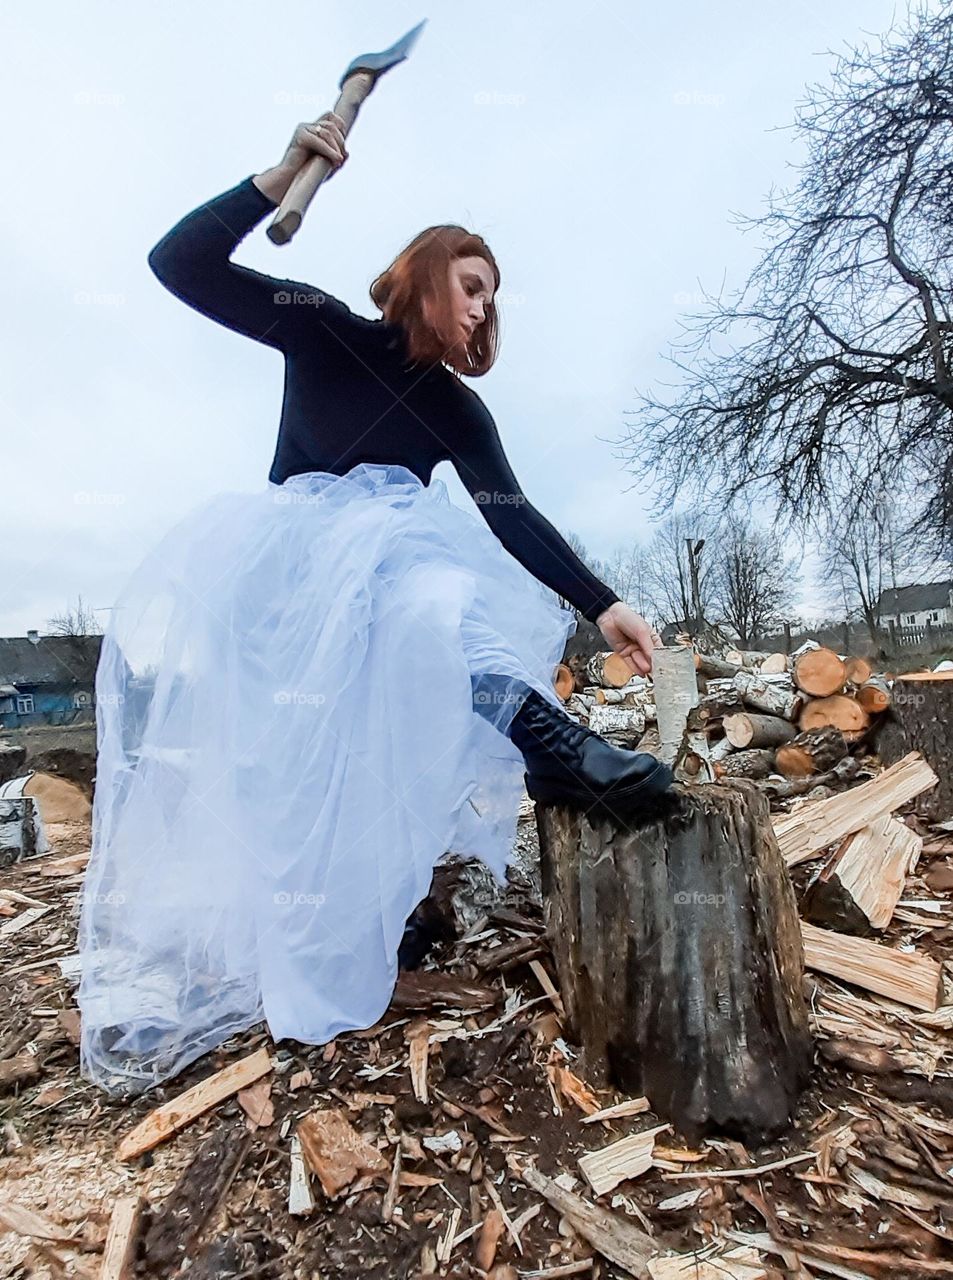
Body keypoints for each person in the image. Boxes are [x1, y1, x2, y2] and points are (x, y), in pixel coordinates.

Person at [78, 113, 672, 1096]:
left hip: (386, 588)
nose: (484, 308)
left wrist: (602, 603)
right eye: (471, 284)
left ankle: (546, 748)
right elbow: (176, 262)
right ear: (424, 273)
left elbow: (508, 513)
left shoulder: (452, 409)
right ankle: (339, 933)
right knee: (315, 759)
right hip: (282, 591)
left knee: (427, 587)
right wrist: (273, 179)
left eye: (493, 296)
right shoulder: (314, 324)